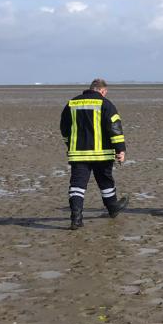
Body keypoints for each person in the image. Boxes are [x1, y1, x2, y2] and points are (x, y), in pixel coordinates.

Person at [59, 78, 129, 229]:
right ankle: (112, 208)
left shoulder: (72, 103)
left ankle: (76, 218)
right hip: (102, 154)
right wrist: (120, 150)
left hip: (78, 153)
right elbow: (115, 128)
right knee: (105, 182)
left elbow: (64, 128)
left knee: (77, 185)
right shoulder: (106, 104)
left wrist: (69, 143)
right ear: (102, 91)